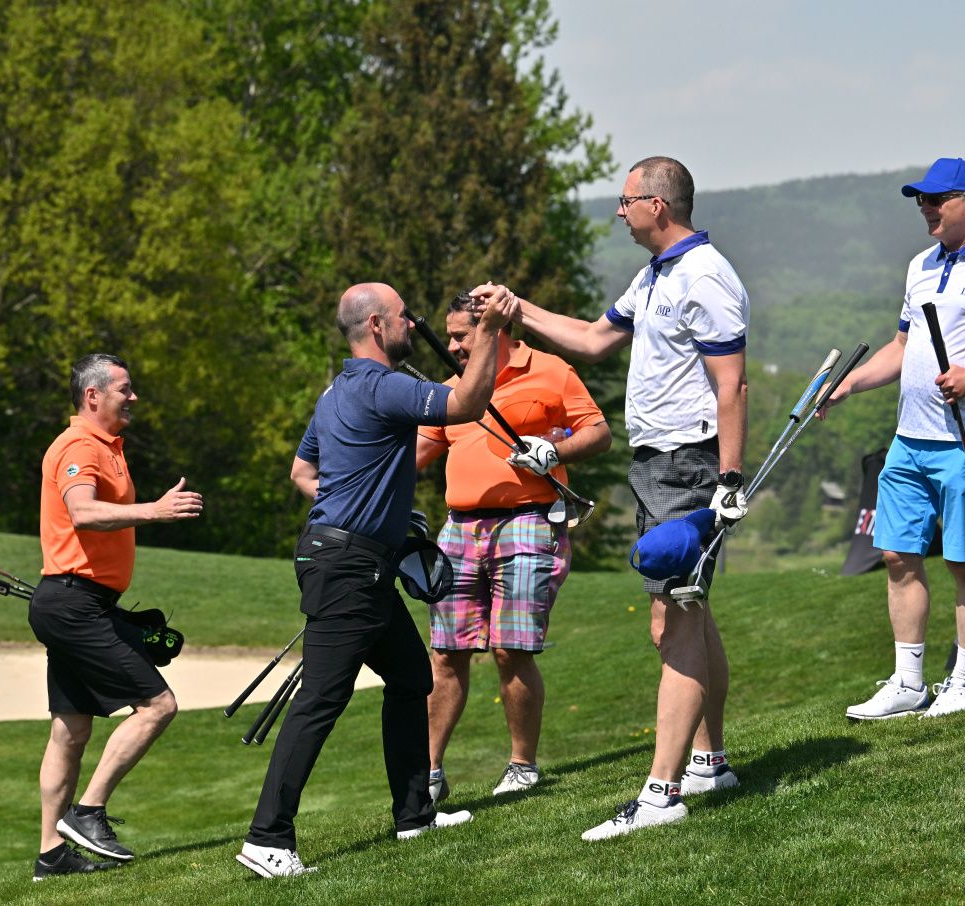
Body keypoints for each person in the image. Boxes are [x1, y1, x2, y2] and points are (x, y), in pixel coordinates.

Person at [475, 156, 750, 840]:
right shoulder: (655, 274)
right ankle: (711, 762)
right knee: (691, 612)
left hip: (688, 464)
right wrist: (516, 307)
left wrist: (728, 479)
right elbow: (596, 340)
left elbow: (732, 385)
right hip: (657, 464)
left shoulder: (705, 276)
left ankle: (662, 792)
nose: (620, 212)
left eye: (627, 201)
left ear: (659, 205)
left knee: (673, 622)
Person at [236, 282, 517, 879]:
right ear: (375, 326)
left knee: (412, 678)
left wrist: (364, 508)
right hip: (349, 566)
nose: (412, 325)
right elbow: (467, 405)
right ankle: (267, 838)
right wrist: (489, 329)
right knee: (320, 699)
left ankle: (414, 815)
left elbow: (302, 470)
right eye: (402, 317)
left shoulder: (335, 392)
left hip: (349, 559)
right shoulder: (382, 385)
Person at [819, 157, 965, 720]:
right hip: (910, 439)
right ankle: (908, 683)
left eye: (935, 199)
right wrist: (848, 384)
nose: (925, 208)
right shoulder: (920, 266)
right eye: (920, 200)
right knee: (897, 555)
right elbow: (902, 348)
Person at [416, 294, 611, 802]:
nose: (452, 346)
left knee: (511, 649)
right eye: (450, 336)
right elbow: (416, 453)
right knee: (445, 653)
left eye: (461, 335)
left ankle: (522, 764)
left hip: (529, 519)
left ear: (495, 329)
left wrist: (555, 450)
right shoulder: (453, 391)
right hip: (459, 527)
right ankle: (428, 773)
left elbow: (599, 433)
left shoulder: (550, 370)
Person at [29, 353, 204, 880]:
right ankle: (88, 812)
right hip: (72, 602)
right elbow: (82, 512)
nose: (133, 397)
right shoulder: (79, 446)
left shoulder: (107, 447)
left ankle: (51, 854)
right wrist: (154, 510)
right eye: (124, 389)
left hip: (77, 601)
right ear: (93, 395)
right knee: (158, 705)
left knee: (70, 730)